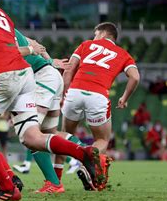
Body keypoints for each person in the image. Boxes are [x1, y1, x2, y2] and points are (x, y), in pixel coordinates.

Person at [0, 0, 105, 201]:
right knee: (31, 136)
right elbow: (22, 46)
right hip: (25, 76)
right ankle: (82, 152)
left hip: (4, 75)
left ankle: (8, 188)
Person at [57, 22, 140, 190]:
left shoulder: (86, 45)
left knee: (64, 137)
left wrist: (63, 93)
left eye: (95, 34)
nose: (94, 37)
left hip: (75, 91)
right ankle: (87, 165)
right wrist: (124, 98)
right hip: (98, 95)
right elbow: (135, 77)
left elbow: (68, 69)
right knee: (102, 140)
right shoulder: (123, 54)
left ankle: (55, 182)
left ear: (103, 34)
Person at [12, 28, 72, 194]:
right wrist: (51, 60)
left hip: (41, 78)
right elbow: (36, 43)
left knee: (29, 133)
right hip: (51, 75)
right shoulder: (12, 30)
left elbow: (16, 52)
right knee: (49, 132)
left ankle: (56, 180)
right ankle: (88, 152)